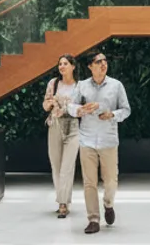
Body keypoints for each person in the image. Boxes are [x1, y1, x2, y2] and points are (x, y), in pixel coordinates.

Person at [67, 52, 131, 235]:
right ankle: (93, 219)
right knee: (89, 182)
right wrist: (79, 110)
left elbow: (126, 110)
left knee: (111, 181)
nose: (103, 64)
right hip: (86, 139)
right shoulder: (82, 86)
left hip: (108, 139)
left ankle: (108, 204)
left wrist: (112, 115)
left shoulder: (116, 85)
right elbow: (71, 106)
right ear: (90, 66)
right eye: (98, 61)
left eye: (105, 61)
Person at [43, 54, 81, 219]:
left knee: (67, 166)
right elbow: (45, 105)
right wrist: (50, 103)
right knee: (56, 165)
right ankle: (62, 199)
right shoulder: (53, 83)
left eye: (65, 63)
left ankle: (63, 203)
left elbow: (82, 108)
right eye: (60, 64)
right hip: (55, 125)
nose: (62, 66)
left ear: (73, 66)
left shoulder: (80, 86)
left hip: (73, 126)